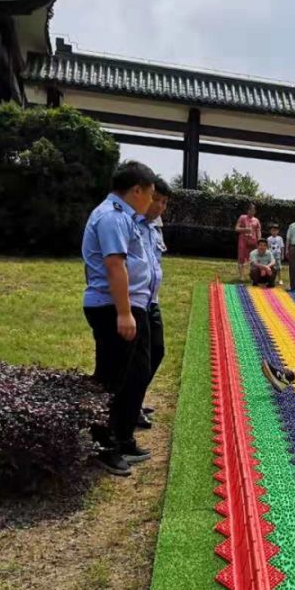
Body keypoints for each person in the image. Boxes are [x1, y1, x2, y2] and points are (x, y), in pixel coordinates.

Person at [81, 160, 158, 476]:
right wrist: (124, 312)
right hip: (113, 307)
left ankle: (122, 436)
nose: (151, 201)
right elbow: (115, 266)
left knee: (135, 372)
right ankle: (102, 445)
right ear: (136, 190)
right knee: (112, 378)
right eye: (150, 194)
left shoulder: (127, 217)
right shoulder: (112, 217)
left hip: (132, 305)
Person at [134, 175, 171, 430]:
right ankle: (129, 406)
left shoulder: (155, 224)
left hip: (151, 300)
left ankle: (136, 398)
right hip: (134, 301)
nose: (159, 206)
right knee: (137, 359)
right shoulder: (129, 222)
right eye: (155, 199)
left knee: (156, 351)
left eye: (164, 202)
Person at [235, 202, 261, 282]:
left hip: (253, 241)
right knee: (241, 258)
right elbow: (236, 228)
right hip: (243, 240)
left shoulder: (256, 220)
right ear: (248, 210)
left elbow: (258, 231)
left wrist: (259, 240)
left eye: (254, 210)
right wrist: (245, 229)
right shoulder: (242, 217)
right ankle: (241, 276)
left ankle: (253, 275)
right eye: (251, 210)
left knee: (253, 258)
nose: (252, 212)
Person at [266, 222, 285, 286]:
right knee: (271, 267)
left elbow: (282, 247)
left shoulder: (280, 238)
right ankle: (270, 279)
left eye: (275, 230)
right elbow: (267, 247)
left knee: (278, 267)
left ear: (278, 231)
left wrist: (282, 254)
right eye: (272, 230)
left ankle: (280, 279)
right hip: (271, 256)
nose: (274, 232)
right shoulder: (268, 239)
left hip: (278, 255)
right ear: (270, 231)